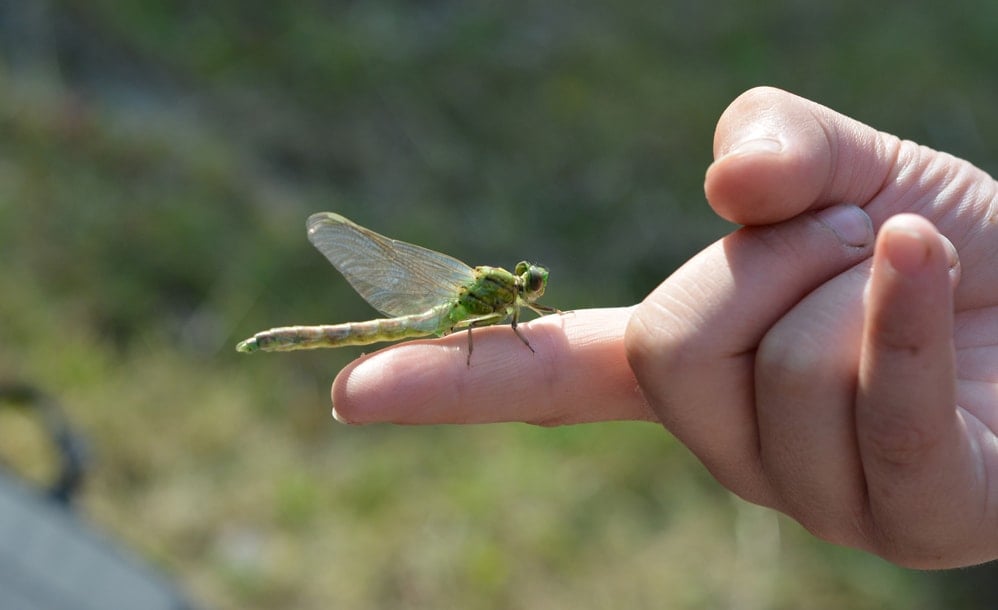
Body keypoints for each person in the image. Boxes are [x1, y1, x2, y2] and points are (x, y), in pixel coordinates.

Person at [329, 87, 998, 570]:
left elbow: (518, 320)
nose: (531, 290)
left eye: (527, 287)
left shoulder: (510, 299)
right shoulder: (491, 298)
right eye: (528, 286)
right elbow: (491, 327)